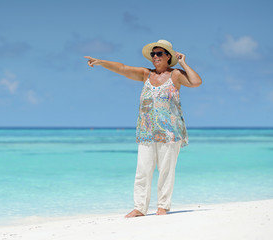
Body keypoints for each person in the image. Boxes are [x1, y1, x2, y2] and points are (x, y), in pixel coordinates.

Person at [84, 40, 202, 217]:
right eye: (153, 54)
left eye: (159, 53)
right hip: (146, 132)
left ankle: (163, 206)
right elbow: (122, 68)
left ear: (168, 56)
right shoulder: (146, 74)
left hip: (169, 133)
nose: (155, 56)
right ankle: (140, 207)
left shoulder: (176, 75)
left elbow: (196, 82)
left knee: (166, 171)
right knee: (142, 171)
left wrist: (183, 62)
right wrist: (101, 62)